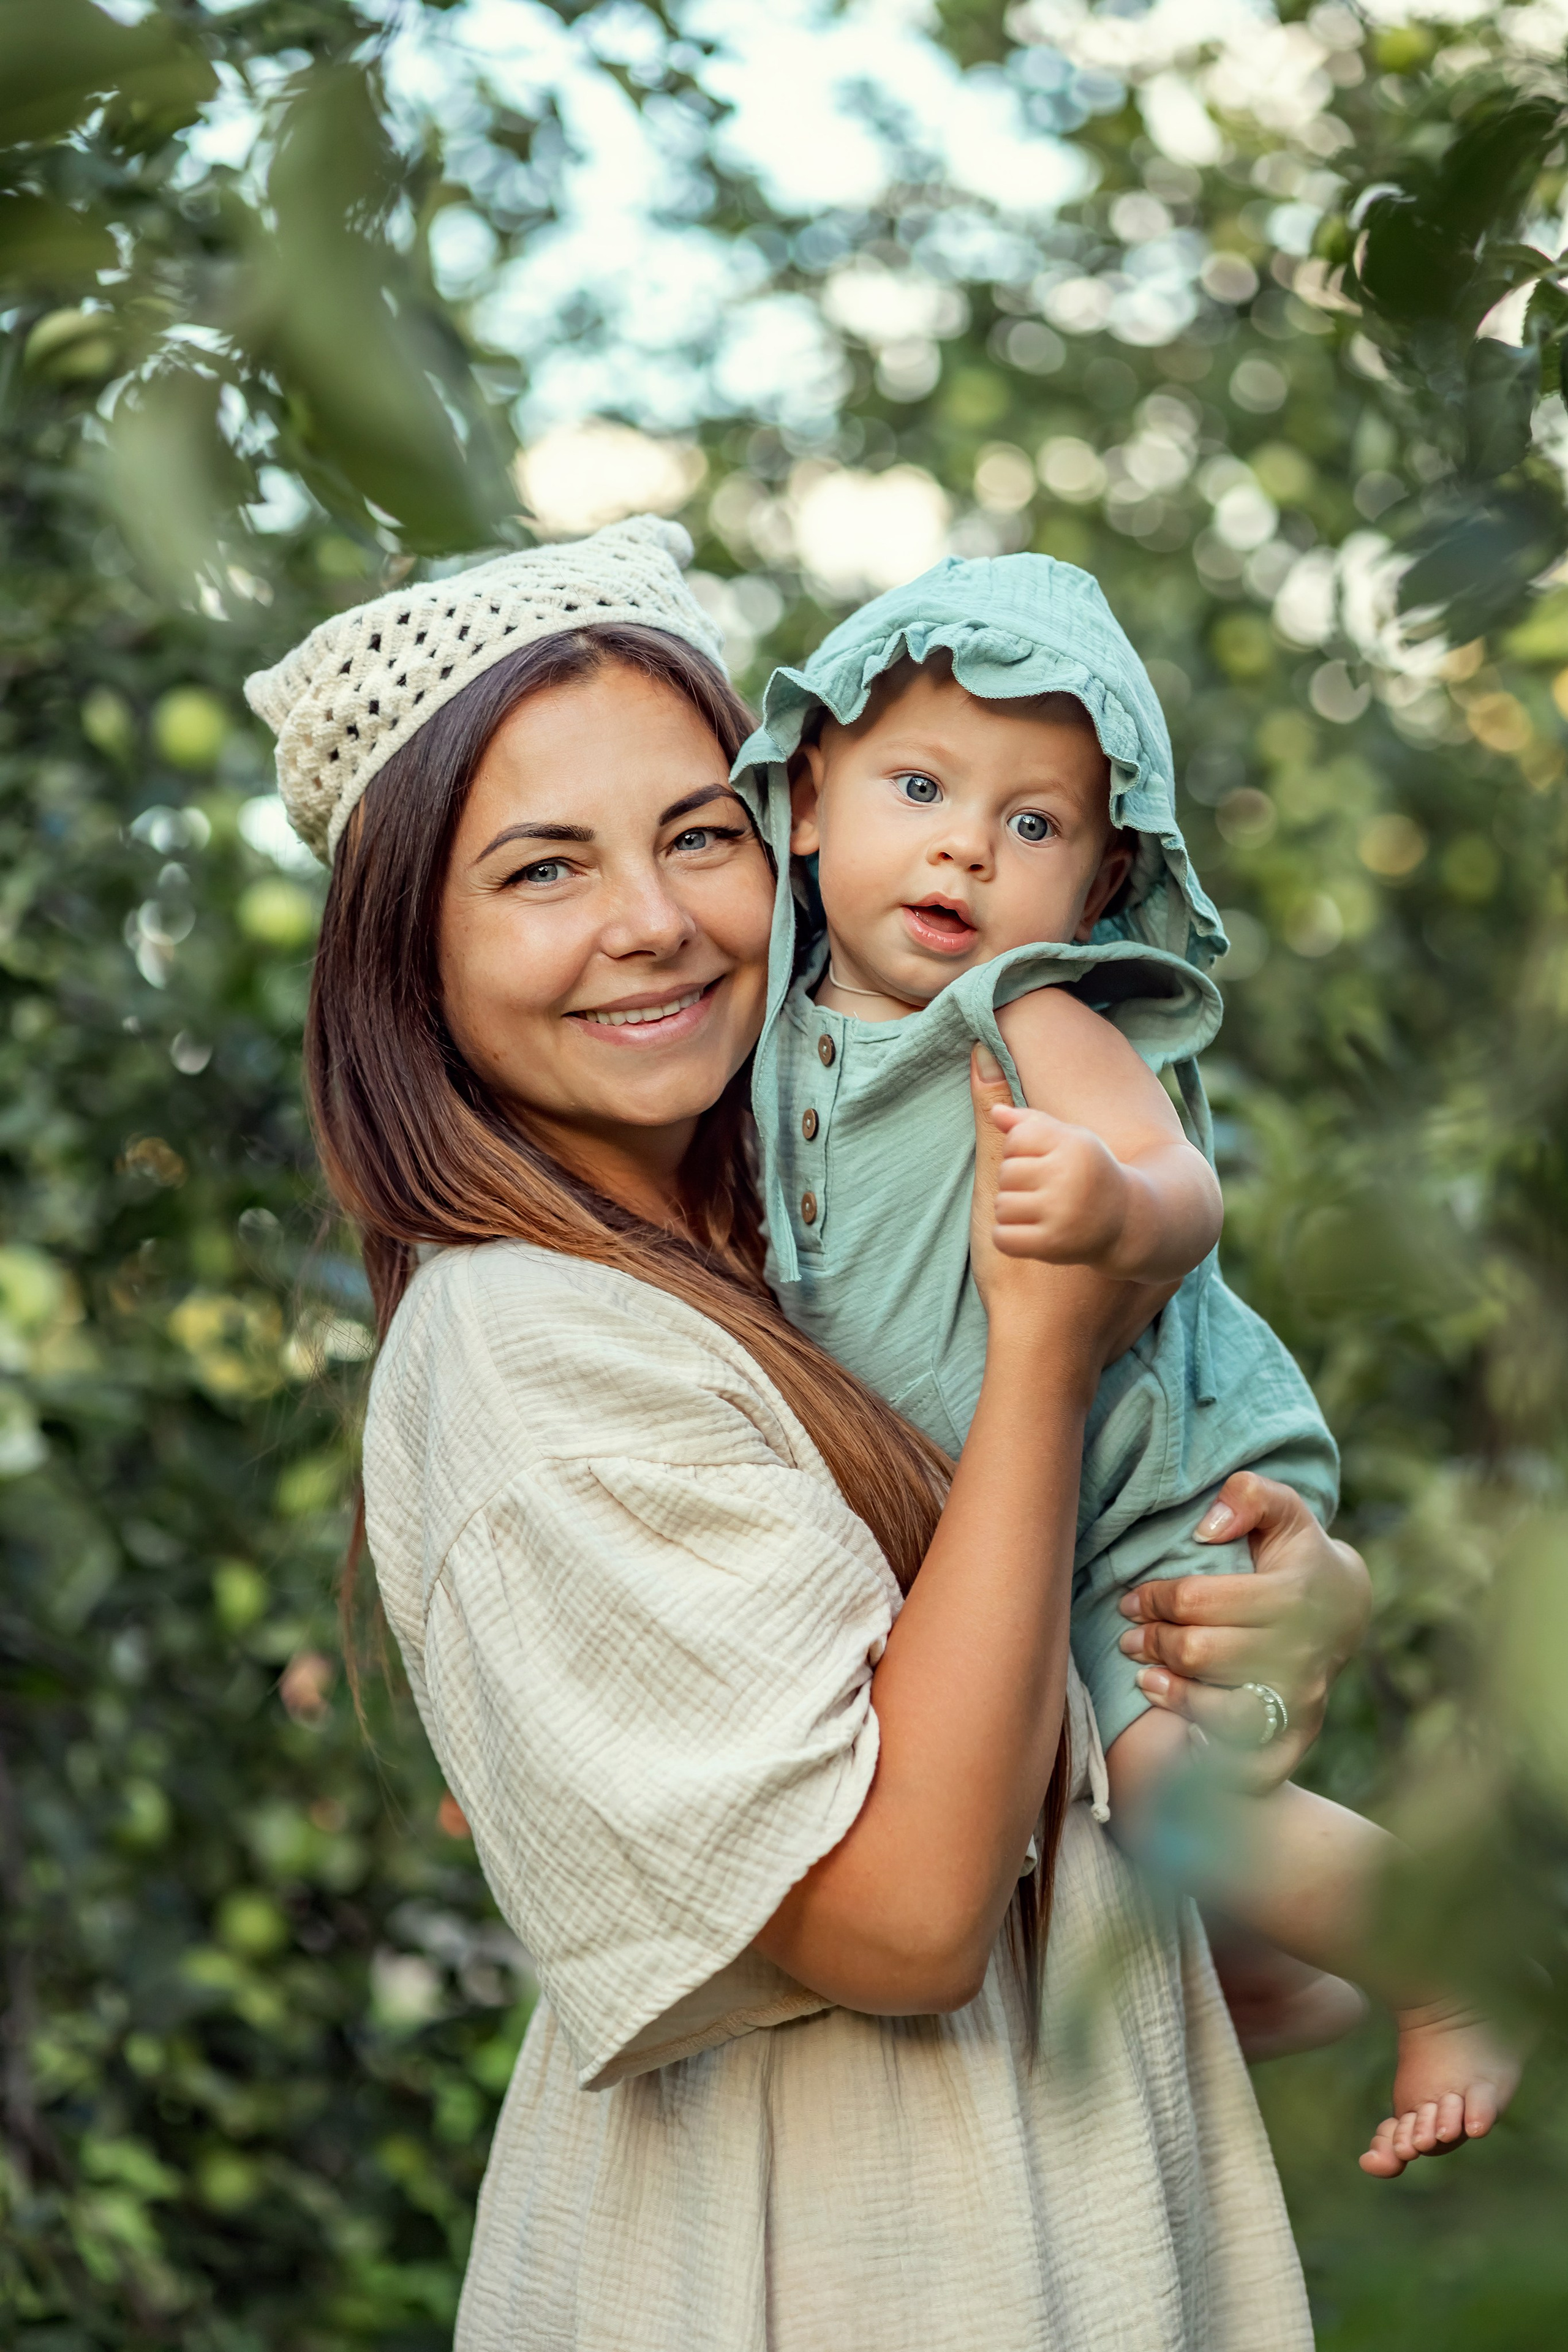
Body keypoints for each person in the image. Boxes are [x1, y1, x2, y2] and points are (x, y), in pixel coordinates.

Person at [247, 517, 1371, 2351]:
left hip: (1070, 2182)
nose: (655, 920)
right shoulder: (528, 1337)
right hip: (827, 2251)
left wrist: (1263, 1595)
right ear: (410, 956)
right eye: (541, 869)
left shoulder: (822, 1219)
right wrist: (1049, 1351)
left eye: (697, 834)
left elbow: (1063, 1747)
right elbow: (913, 1918)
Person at [733, 551, 1518, 2173]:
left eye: (1033, 826)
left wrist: (1109, 1202)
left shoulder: (1031, 1016)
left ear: (1094, 892)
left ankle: (1449, 1967)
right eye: (923, 786)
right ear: (809, 806)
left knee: (1158, 1773)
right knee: (1059, 1783)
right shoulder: (763, 1031)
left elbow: (1185, 1188)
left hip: (1134, 1477)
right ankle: (1256, 1968)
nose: (966, 843)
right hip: (994, 1496)